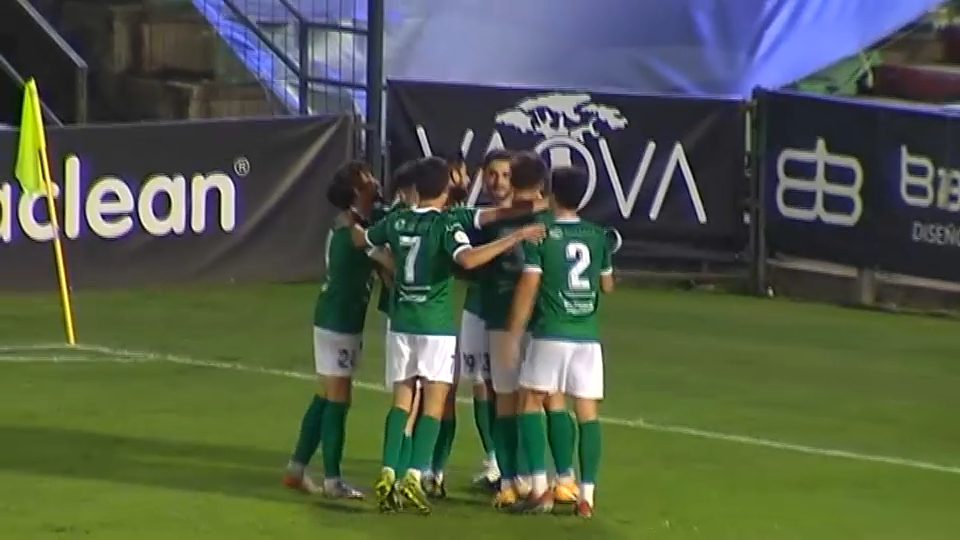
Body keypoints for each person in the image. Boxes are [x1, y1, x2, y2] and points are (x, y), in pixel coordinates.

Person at [351, 156, 545, 515]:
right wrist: (516, 236)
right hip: (434, 326)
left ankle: (388, 470)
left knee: (402, 400)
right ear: (445, 191)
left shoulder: (397, 219)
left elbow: (364, 238)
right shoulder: (447, 223)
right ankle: (414, 474)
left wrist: (387, 261)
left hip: (401, 322)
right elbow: (469, 258)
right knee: (436, 402)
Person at [505, 165, 615, 518]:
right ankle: (586, 497)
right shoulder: (598, 235)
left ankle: (539, 490)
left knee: (530, 402)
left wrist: (512, 332)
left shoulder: (542, 233)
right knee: (586, 412)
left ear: (551, 193)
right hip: (587, 337)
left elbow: (529, 285)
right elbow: (607, 285)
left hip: (551, 331)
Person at [282, 162, 386, 498]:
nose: (374, 181)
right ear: (357, 191)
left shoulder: (351, 223)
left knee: (326, 395)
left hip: (332, 317)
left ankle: (297, 468)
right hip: (339, 320)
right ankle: (333, 479)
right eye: (367, 179)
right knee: (339, 398)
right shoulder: (354, 232)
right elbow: (388, 265)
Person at [478, 151, 552, 508]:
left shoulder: (492, 222)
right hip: (544, 322)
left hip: (501, 320)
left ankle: (510, 481)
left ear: (512, 180)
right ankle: (556, 478)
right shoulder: (551, 216)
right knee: (546, 400)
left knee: (505, 401)